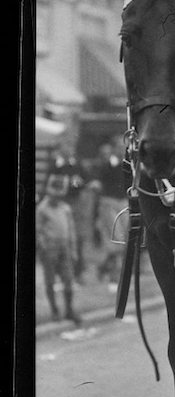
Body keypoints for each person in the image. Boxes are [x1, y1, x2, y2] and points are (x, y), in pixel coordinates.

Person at [36, 172, 82, 326]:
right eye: (53, 195)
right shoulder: (42, 208)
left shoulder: (65, 208)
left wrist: (73, 250)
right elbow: (38, 230)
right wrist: (43, 246)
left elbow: (72, 230)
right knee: (50, 281)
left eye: (59, 195)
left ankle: (69, 309)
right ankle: (55, 310)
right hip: (50, 247)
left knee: (68, 279)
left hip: (65, 246)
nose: (56, 197)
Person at [88, 138, 129, 290]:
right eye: (118, 147)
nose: (121, 149)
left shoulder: (128, 164)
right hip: (109, 202)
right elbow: (96, 178)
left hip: (123, 203)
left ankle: (103, 268)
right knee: (116, 240)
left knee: (124, 240)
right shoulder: (107, 164)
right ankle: (114, 277)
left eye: (123, 147)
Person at [46, 144, 89, 282]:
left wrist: (78, 183)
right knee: (61, 238)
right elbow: (49, 184)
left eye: (70, 149)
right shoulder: (55, 166)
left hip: (75, 203)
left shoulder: (76, 165)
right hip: (60, 203)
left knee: (77, 237)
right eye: (65, 149)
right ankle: (61, 274)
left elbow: (85, 180)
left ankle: (78, 272)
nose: (68, 151)